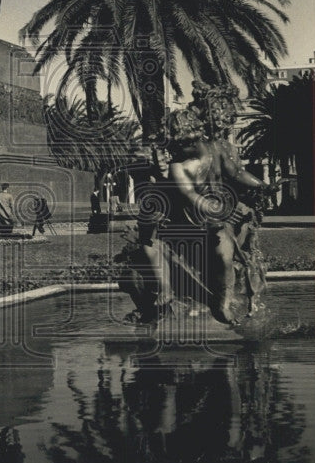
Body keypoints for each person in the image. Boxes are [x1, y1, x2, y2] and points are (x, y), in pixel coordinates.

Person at [116, 84, 274, 327]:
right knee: (150, 244)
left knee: (224, 253)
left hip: (215, 217)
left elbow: (238, 172)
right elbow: (186, 192)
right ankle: (164, 296)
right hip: (188, 217)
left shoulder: (218, 148)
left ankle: (223, 300)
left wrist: (262, 186)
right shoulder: (177, 163)